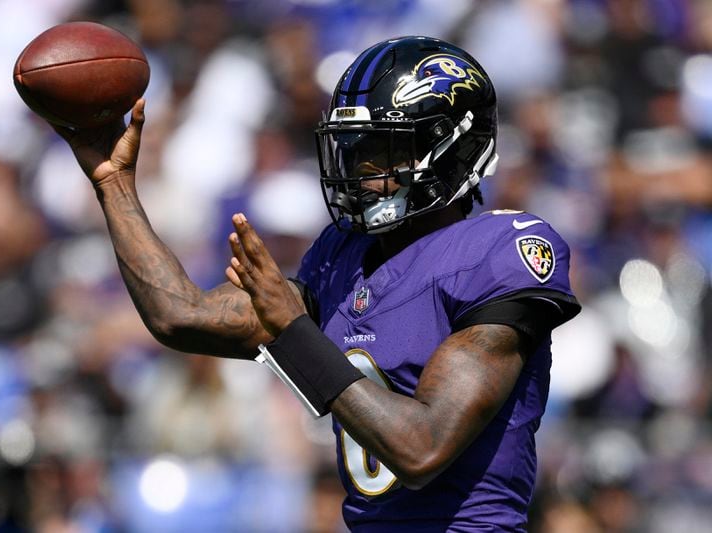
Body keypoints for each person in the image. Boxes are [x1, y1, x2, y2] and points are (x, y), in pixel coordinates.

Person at [51, 36, 580, 532]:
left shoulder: (500, 251)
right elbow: (180, 315)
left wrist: (296, 333)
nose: (358, 167)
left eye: (381, 149)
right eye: (353, 148)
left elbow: (421, 447)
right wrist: (114, 184)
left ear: (448, 148)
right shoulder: (343, 255)